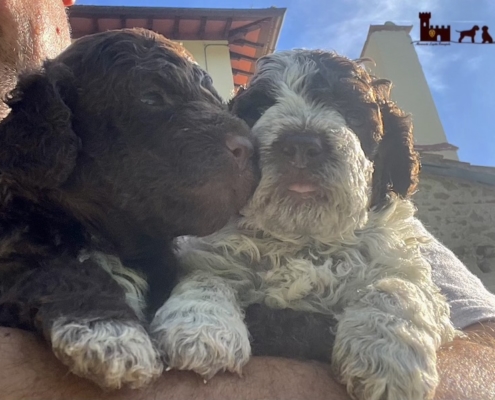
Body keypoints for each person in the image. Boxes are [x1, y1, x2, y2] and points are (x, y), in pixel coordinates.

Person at [1, 1, 495, 399]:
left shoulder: (388, 238)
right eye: (262, 112)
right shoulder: (209, 237)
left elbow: (484, 359)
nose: (299, 143)